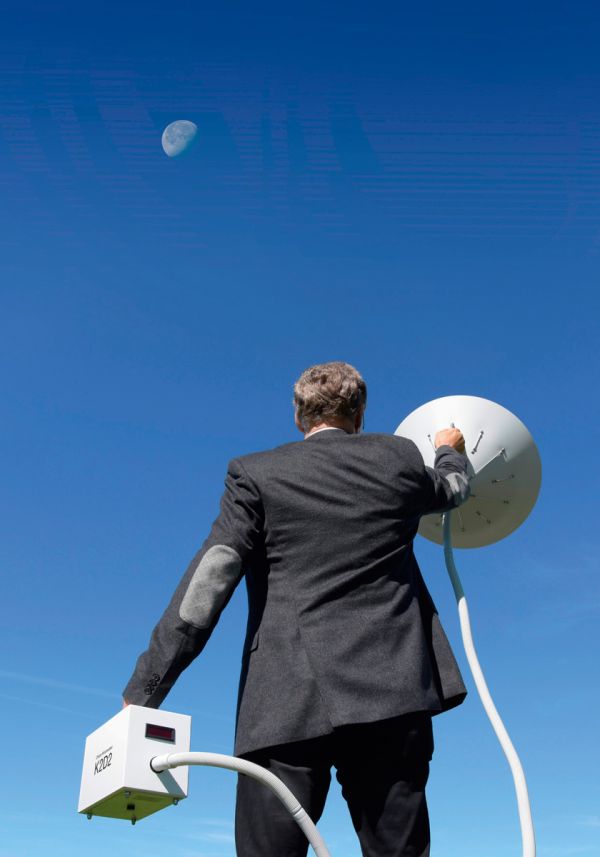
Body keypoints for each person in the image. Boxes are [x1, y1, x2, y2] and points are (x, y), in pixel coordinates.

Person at [123, 361, 470, 857]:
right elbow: (453, 490)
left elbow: (210, 582)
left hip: (284, 701)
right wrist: (446, 450)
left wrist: (146, 688)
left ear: (298, 415)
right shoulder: (398, 458)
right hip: (391, 698)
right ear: (360, 412)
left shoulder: (256, 474)